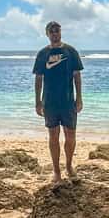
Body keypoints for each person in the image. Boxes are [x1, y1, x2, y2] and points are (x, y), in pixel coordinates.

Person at [32, 20, 83, 183]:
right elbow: (38, 79)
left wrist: (79, 98)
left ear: (61, 32)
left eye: (57, 30)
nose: (55, 33)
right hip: (50, 102)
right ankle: (56, 170)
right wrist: (38, 102)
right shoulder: (42, 54)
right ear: (47, 34)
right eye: (52, 31)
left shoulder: (71, 51)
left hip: (68, 101)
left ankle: (68, 165)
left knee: (70, 135)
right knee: (53, 135)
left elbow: (77, 76)